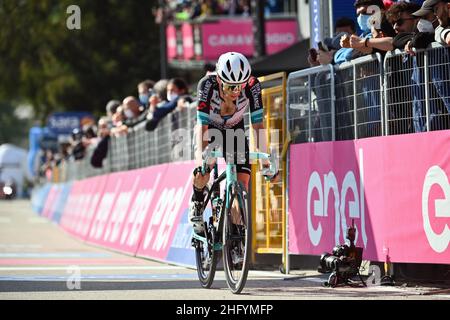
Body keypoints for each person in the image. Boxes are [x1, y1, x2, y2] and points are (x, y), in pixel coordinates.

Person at [188, 52, 278, 235]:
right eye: (231, 86)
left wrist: (266, 162)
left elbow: (258, 125)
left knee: (242, 183)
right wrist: (200, 160)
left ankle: (236, 237)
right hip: (210, 128)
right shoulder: (207, 85)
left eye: (240, 86)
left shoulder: (253, 86)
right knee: (206, 166)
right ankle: (197, 201)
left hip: (234, 129)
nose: (236, 91)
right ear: (220, 80)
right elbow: (201, 127)